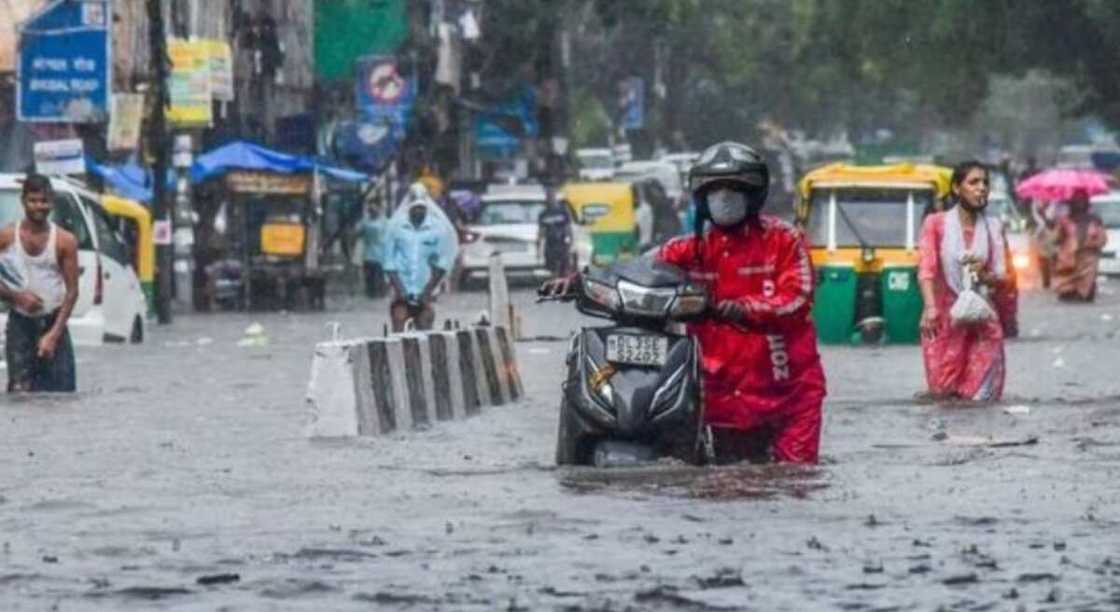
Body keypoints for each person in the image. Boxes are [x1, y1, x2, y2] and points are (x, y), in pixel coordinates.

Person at [543, 142, 827, 464]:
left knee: (794, 479)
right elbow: (635, 272)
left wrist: (744, 309)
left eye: (734, 189)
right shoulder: (689, 249)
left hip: (788, 395)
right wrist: (577, 283)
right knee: (724, 482)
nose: (724, 198)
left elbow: (797, 299)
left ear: (754, 194)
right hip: (719, 395)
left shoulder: (785, 240)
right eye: (715, 190)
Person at [917, 161, 1007, 402]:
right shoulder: (935, 224)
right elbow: (926, 268)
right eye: (974, 182)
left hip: (982, 321)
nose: (981, 188)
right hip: (943, 320)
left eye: (985, 183)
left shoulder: (993, 227)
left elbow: (1001, 277)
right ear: (957, 188)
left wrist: (983, 273)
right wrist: (930, 308)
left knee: (981, 399)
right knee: (944, 396)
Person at [0, 174, 80, 392]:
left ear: (51, 202)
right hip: (20, 325)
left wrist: (53, 335)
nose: (39, 206)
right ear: (23, 201)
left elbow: (72, 292)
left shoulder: (65, 241)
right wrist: (17, 297)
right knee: (19, 393)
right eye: (33, 201)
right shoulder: (7, 236)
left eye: (44, 201)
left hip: (54, 322)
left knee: (62, 395)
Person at [382, 186, 458, 332]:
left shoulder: (437, 229)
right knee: (399, 324)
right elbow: (388, 262)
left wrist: (428, 291)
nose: (418, 212)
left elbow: (441, 263)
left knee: (425, 329)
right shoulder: (395, 227)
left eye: (422, 208)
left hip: (425, 291)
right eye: (415, 208)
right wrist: (400, 290)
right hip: (400, 292)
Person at [1052, 190, 1107, 302]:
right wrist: (1061, 229)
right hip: (1068, 259)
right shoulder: (1065, 220)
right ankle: (1069, 291)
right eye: (1076, 200)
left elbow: (1102, 240)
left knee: (1085, 288)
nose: (1079, 203)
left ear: (1086, 202)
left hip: (1087, 258)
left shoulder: (1094, 220)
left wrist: (1094, 239)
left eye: (1082, 200)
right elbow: (1056, 239)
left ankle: (1084, 292)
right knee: (1066, 290)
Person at [537, 190, 573, 277]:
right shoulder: (543, 214)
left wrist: (570, 242)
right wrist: (538, 248)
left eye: (552, 197)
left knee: (564, 268)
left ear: (555, 198)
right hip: (550, 244)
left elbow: (568, 228)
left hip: (562, 244)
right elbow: (541, 231)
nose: (550, 200)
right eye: (548, 198)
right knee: (552, 270)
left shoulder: (563, 212)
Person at [357, 203, 388, 298]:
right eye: (371, 210)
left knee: (379, 273)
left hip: (380, 251)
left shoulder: (384, 221)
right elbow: (358, 232)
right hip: (368, 251)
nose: (373, 211)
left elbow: (388, 235)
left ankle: (380, 292)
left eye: (375, 209)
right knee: (369, 274)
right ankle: (370, 292)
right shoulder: (365, 221)